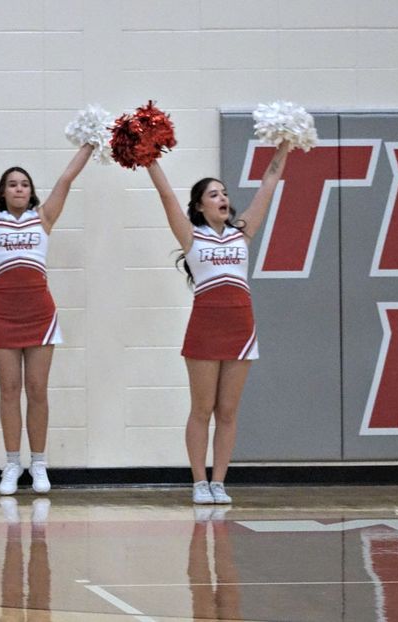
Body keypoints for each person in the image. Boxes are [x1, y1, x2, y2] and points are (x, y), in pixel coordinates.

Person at [0, 141, 94, 495]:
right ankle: (12, 464)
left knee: (37, 390)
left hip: (40, 313)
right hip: (3, 314)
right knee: (9, 390)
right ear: (2, 192)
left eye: (24, 184)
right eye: (12, 184)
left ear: (31, 193)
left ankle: (39, 463)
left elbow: (67, 179)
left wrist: (90, 143)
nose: (19, 188)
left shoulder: (43, 218)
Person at [146, 141, 290, 504]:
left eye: (225, 193)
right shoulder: (191, 235)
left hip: (241, 328)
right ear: (199, 205)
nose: (223, 197)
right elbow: (165, 195)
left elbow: (269, 183)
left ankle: (219, 482)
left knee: (228, 411)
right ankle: (198, 482)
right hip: (205, 327)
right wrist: (148, 157)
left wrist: (286, 143)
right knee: (202, 408)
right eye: (214, 194)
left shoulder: (243, 232)